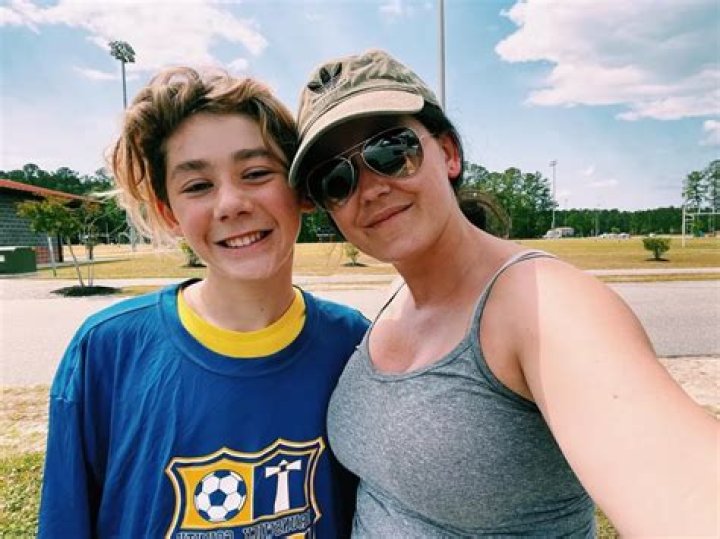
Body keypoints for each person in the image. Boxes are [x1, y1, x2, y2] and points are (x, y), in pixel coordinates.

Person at [289, 49, 718, 537]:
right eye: (336, 179)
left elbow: (686, 489)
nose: (369, 189)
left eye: (390, 150)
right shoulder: (396, 297)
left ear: (448, 153)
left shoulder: (543, 303)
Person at [38, 66, 369, 538]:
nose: (230, 204)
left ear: (300, 188)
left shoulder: (354, 344)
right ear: (168, 212)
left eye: (256, 173)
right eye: (197, 185)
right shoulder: (106, 351)